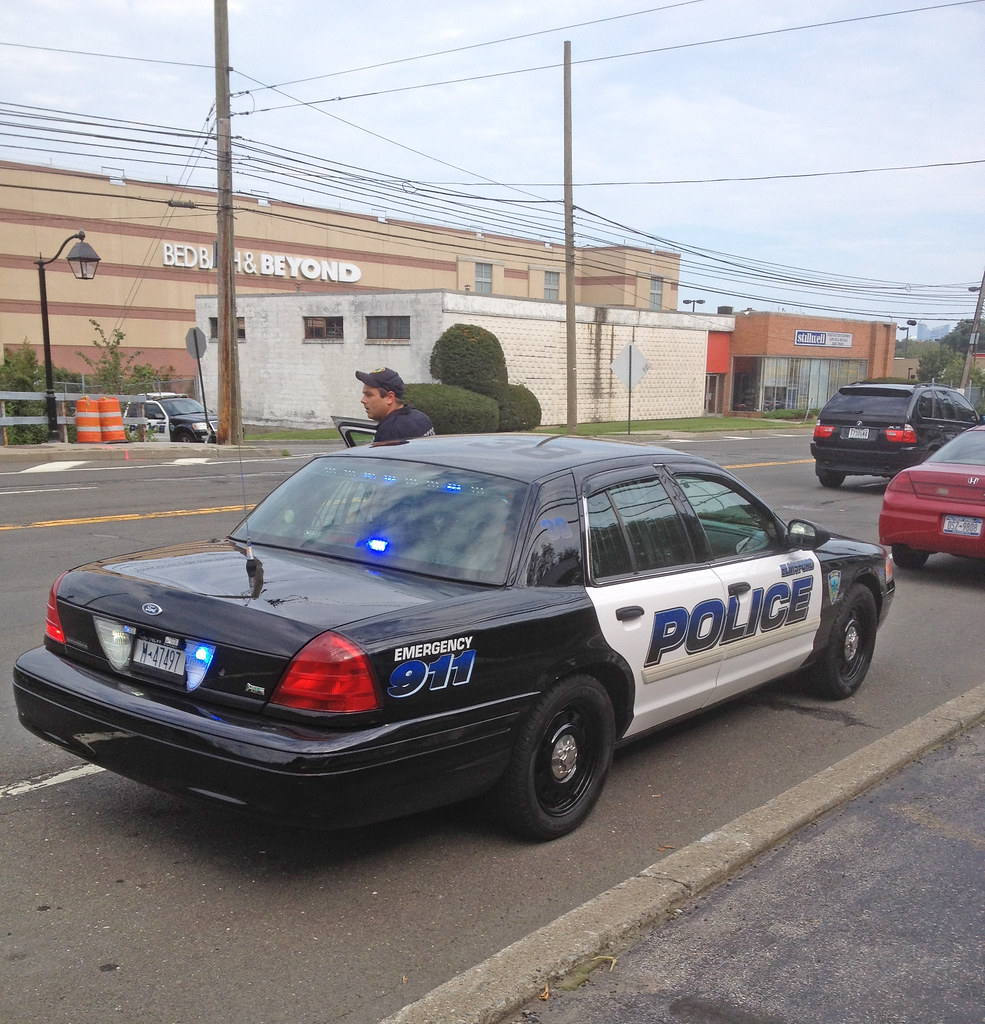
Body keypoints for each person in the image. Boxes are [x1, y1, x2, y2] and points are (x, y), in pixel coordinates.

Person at [355, 366, 435, 442]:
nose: (363, 400)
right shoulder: (421, 417)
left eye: (369, 395)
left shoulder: (390, 432)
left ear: (390, 397)